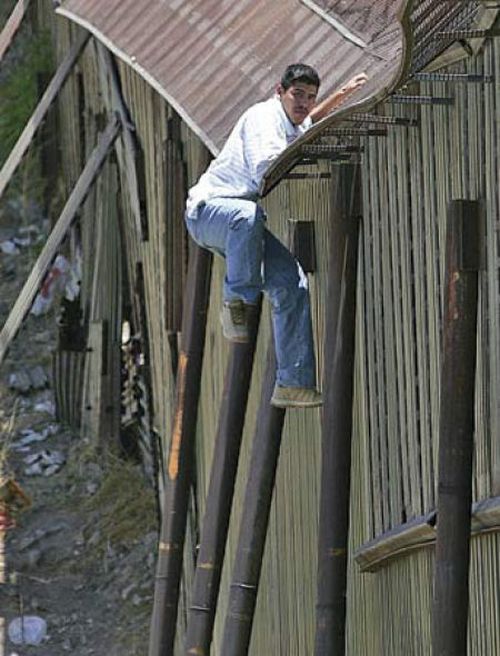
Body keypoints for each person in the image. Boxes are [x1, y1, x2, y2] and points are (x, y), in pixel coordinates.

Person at [184, 64, 367, 408]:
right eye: (297, 95)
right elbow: (265, 167)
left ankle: (293, 383)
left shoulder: (290, 120)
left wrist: (337, 99)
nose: (304, 103)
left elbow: (304, 123)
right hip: (209, 213)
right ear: (278, 91)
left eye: (310, 97)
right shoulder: (262, 119)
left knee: (292, 282)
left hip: (241, 228)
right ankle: (235, 302)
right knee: (248, 214)